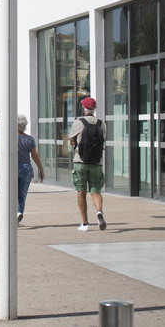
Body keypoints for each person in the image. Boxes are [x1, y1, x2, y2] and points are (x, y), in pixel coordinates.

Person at [69, 96, 107, 231]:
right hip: (97, 162)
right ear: (94, 108)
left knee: (81, 192)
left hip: (80, 161)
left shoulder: (78, 122)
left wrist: (74, 141)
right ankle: (99, 211)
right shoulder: (101, 124)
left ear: (83, 108)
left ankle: (85, 223)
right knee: (96, 191)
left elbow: (72, 140)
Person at [16, 115, 44, 225]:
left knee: (11, 193)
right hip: (26, 167)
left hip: (13, 167)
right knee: (22, 193)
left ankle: (12, 214)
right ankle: (19, 213)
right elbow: (35, 156)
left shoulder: (10, 138)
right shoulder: (29, 139)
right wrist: (41, 170)